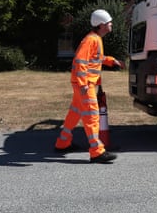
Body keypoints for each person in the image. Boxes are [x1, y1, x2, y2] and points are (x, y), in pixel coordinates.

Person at [54, 9, 125, 163]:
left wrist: (113, 61)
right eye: (109, 22)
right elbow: (80, 61)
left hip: (84, 84)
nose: (111, 24)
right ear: (101, 25)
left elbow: (97, 58)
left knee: (75, 113)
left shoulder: (95, 39)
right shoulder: (91, 40)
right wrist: (83, 84)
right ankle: (96, 152)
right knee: (92, 116)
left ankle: (62, 142)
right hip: (86, 85)